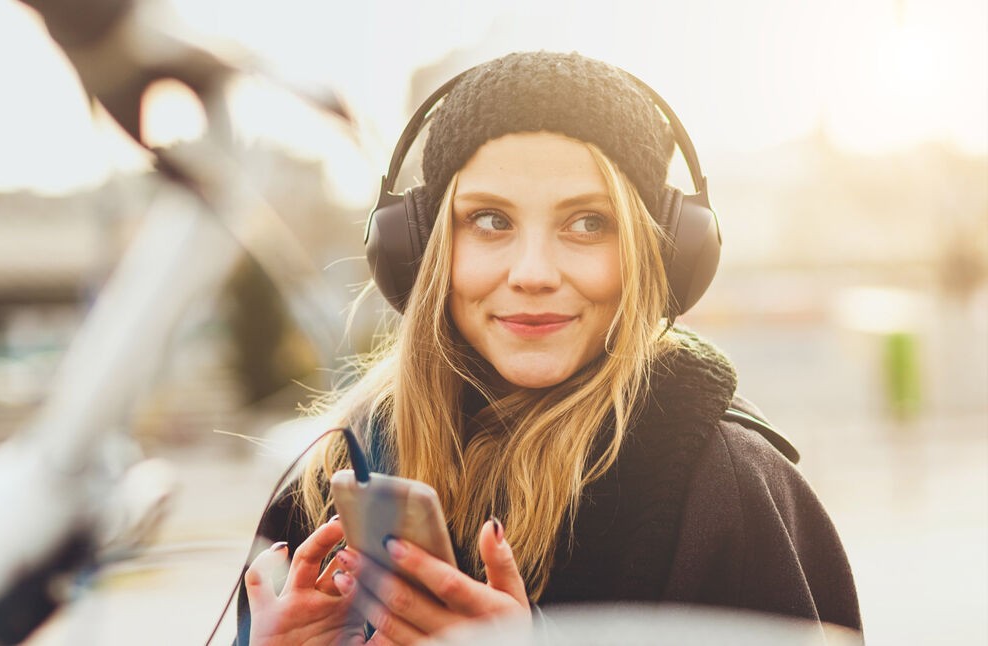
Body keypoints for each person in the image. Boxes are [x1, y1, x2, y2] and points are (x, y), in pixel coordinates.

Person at [234, 51, 862, 645]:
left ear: (660, 255)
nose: (533, 272)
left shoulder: (732, 491)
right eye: (490, 220)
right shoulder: (329, 481)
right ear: (420, 249)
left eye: (588, 223)